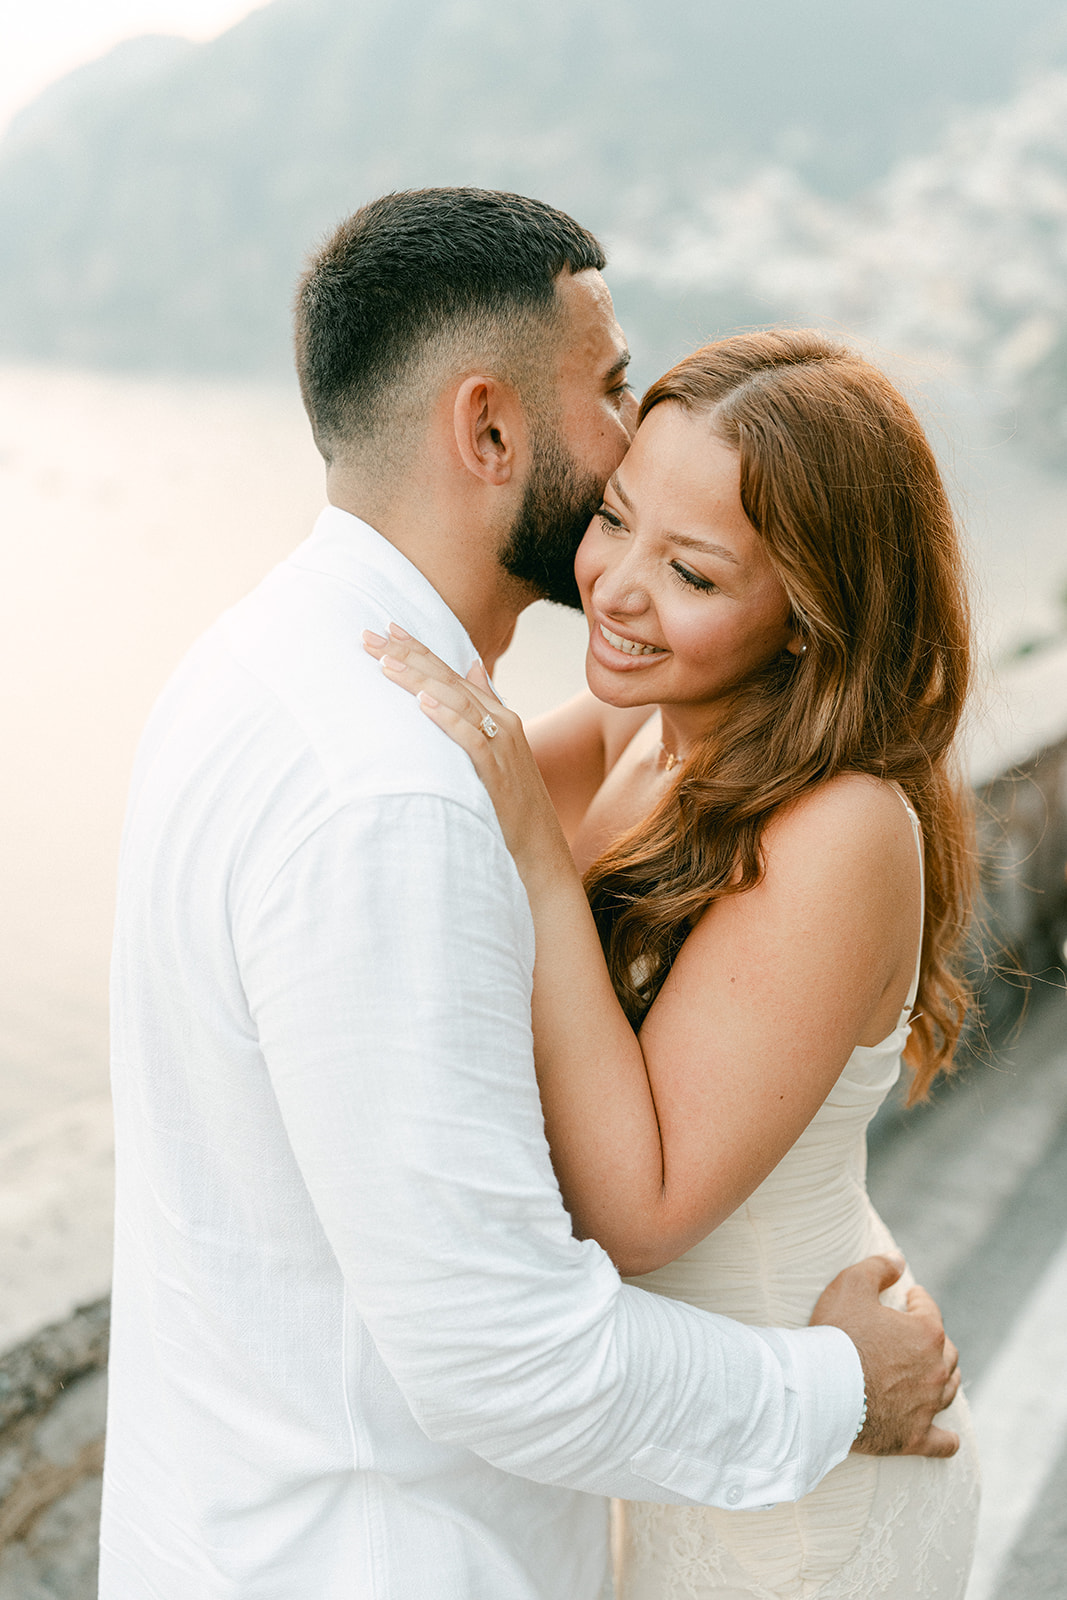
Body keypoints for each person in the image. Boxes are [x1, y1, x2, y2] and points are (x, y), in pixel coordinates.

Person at [100, 193, 961, 1600]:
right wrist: (824, 1389)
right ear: (491, 432)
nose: (627, 447)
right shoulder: (420, 778)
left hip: (778, 1474)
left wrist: (838, 1390)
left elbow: (525, 861)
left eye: (688, 567)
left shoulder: (262, 668)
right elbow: (505, 1346)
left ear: (803, 605)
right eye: (613, 399)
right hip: (432, 1528)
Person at [365, 328, 981, 1597]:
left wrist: (545, 865)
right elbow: (419, 800)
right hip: (705, 1432)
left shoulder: (840, 825)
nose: (616, 587)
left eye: (691, 573)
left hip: (811, 1468)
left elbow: (638, 1210)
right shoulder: (647, 726)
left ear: (809, 617)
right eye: (613, 519)